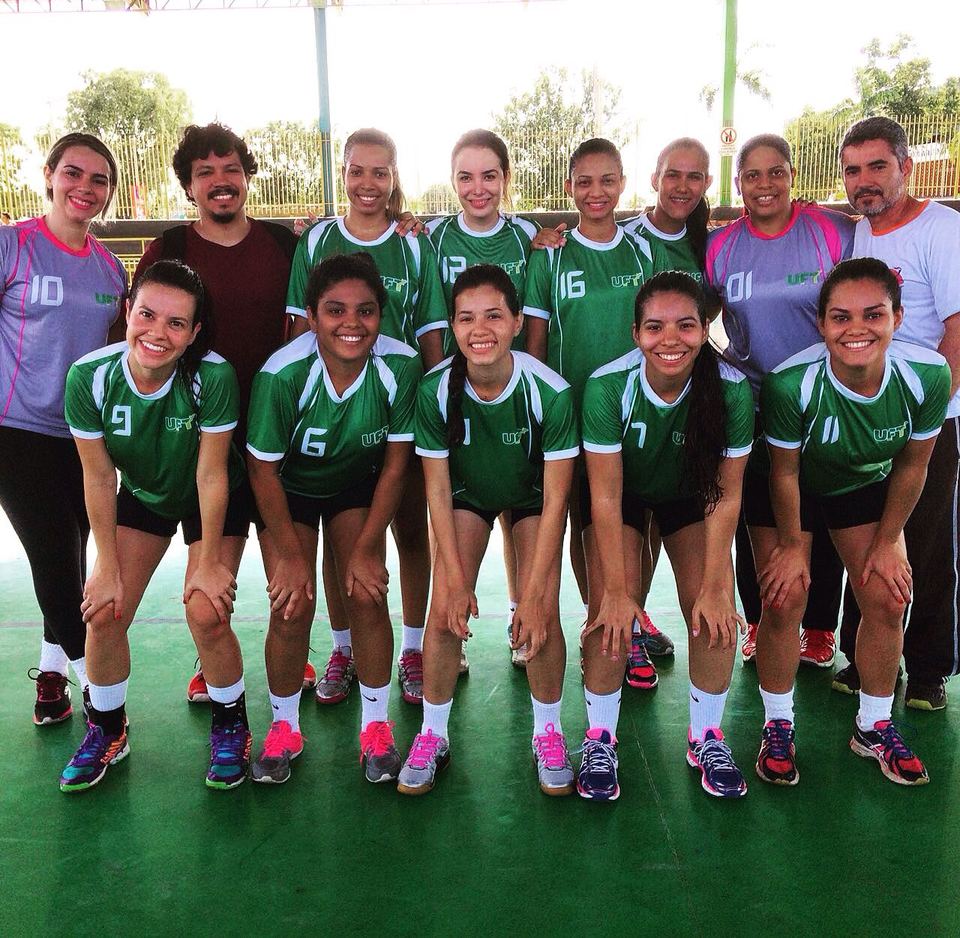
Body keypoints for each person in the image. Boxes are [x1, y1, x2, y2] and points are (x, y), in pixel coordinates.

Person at [134, 122, 316, 702]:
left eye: (231, 169)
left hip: (275, 433)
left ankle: (295, 657)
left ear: (247, 176)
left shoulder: (286, 244)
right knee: (212, 575)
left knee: (288, 570)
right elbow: (140, 338)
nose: (220, 181)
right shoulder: (171, 249)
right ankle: (211, 660)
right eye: (205, 172)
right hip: (202, 438)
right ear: (189, 185)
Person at [59, 260, 248, 792]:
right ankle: (107, 728)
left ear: (194, 333)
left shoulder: (212, 376)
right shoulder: (89, 378)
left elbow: (212, 475)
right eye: (147, 315)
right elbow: (98, 478)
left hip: (211, 497)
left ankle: (231, 721)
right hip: (143, 494)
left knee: (206, 610)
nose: (157, 333)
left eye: (176, 323)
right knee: (103, 612)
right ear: (127, 313)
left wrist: (208, 563)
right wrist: (105, 566)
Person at [759, 258, 949, 786]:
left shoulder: (927, 375)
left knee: (888, 595)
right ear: (821, 325)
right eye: (840, 317)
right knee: (785, 595)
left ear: (898, 317)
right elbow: (783, 472)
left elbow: (914, 465)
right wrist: (794, 546)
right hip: (786, 488)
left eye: (873, 314)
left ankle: (874, 726)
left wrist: (889, 541)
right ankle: (777, 724)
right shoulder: (790, 383)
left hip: (858, 484)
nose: (857, 328)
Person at [397, 264, 578, 796]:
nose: (481, 329)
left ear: (518, 321)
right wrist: (455, 580)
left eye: (494, 315)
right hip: (466, 498)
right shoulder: (434, 391)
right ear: (452, 326)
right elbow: (435, 489)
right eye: (466, 317)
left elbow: (558, 496)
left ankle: (548, 732)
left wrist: (534, 591)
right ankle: (433, 734)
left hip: (532, 500)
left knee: (542, 605)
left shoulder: (551, 392)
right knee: (444, 606)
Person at [579, 271, 754, 800]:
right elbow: (605, 496)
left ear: (706, 328)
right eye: (654, 327)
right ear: (635, 333)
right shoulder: (608, 386)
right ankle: (599, 737)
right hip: (624, 496)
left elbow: (726, 493)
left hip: (689, 497)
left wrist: (719, 581)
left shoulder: (731, 389)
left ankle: (706, 737)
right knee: (611, 617)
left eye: (685, 325)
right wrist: (615, 590)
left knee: (715, 616)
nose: (670, 339)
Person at [246, 253, 420, 784]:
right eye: (335, 310)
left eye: (366, 311)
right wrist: (292, 557)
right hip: (288, 491)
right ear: (311, 314)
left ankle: (375, 727)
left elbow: (395, 466)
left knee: (367, 593)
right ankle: (283, 728)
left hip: (354, 485)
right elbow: (261, 470)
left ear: (381, 314)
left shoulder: (401, 365)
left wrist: (368, 547)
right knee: (292, 604)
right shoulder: (283, 374)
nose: (352, 323)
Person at [286, 128, 440, 708]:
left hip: (397, 414)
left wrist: (432, 408)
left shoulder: (413, 243)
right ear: (342, 173)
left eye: (380, 172)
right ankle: (345, 647)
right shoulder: (318, 238)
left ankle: (414, 647)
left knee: (408, 531)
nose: (368, 183)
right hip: (337, 418)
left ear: (394, 176)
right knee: (340, 539)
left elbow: (428, 331)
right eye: (357, 171)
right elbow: (300, 331)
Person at [523, 137, 670, 689]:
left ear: (623, 183)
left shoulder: (643, 254)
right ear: (569, 188)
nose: (596, 192)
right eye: (584, 182)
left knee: (642, 521)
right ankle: (603, 624)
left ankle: (630, 614)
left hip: (638, 413)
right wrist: (540, 415)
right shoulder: (551, 254)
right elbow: (534, 345)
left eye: (607, 180)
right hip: (576, 420)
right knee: (591, 522)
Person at [705, 133, 854, 669]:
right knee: (757, 514)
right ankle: (759, 618)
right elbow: (702, 311)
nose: (764, 185)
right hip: (757, 398)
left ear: (792, 175)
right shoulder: (721, 246)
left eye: (776, 172)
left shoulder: (832, 231)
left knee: (819, 506)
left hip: (823, 397)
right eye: (752, 175)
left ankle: (818, 625)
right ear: (739, 182)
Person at [0, 133, 126, 727]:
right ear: (48, 175)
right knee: (55, 559)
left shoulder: (109, 269)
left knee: (72, 560)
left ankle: (51, 673)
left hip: (83, 441)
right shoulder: (12, 247)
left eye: (99, 180)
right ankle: (103, 702)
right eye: (73, 173)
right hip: (16, 434)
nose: (85, 188)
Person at [837, 116, 960, 710]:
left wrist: (927, 419)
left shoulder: (942, 229)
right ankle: (865, 662)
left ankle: (930, 668)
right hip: (864, 418)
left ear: (905, 167)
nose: (865, 180)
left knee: (925, 540)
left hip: (928, 421)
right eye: (853, 169)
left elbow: (958, 331)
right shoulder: (858, 234)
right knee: (864, 538)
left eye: (877, 166)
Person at [426, 129, 540, 668]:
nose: (478, 188)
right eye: (465, 177)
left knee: (520, 510)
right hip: (459, 393)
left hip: (511, 389)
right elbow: (430, 323)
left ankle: (523, 618)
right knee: (456, 507)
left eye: (489, 176)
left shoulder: (530, 238)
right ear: (452, 182)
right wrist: (439, 391)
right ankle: (453, 611)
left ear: (506, 179)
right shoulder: (430, 238)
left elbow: (534, 316)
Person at [617, 136, 716, 665]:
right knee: (623, 516)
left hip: (682, 400)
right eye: (672, 174)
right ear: (653, 178)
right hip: (625, 402)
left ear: (706, 186)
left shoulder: (710, 246)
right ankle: (625, 619)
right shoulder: (625, 238)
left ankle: (638, 618)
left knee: (660, 512)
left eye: (694, 176)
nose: (682, 186)